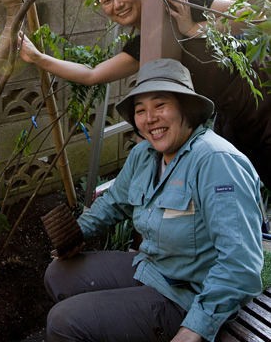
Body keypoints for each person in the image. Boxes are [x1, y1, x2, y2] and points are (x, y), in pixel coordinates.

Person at [43, 58, 264, 342]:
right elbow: (115, 202)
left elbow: (241, 264)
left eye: (160, 106)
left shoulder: (215, 162)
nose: (150, 118)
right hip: (153, 267)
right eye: (140, 110)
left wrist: (194, 328)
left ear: (187, 108)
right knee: (59, 273)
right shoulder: (145, 154)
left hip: (190, 294)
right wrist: (76, 233)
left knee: (63, 322)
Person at [19, 0, 271, 189]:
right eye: (106, 0)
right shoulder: (146, 45)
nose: (117, 4)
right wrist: (38, 58)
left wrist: (193, 29)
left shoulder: (180, 1)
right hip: (236, 121)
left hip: (264, 98)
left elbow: (256, 17)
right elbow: (92, 74)